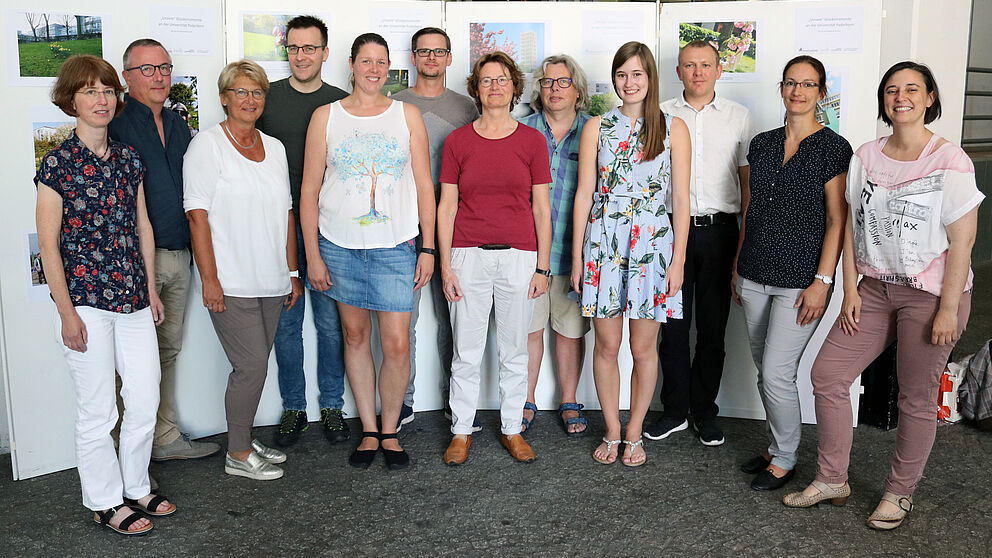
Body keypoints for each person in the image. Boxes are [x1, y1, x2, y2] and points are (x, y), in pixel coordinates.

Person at [784, 62, 983, 530]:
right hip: (873, 289)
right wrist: (850, 289)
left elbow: (963, 243)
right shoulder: (865, 156)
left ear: (930, 98)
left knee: (915, 398)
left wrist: (948, 309)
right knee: (828, 374)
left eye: (912, 89)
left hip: (930, 296)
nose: (901, 98)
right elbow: (853, 226)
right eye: (892, 90)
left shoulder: (950, 160)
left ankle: (900, 492)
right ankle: (833, 478)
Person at [36, 54, 176, 535]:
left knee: (143, 400)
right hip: (86, 305)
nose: (101, 99)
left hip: (134, 299)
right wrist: (65, 312)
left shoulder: (128, 158)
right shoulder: (56, 163)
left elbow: (142, 225)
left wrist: (151, 288)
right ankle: (102, 500)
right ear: (71, 100)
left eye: (107, 91)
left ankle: (136, 485)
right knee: (99, 410)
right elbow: (49, 245)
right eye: (90, 91)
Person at [300, 33, 436, 471]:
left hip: (396, 246)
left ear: (390, 66)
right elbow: (308, 191)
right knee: (355, 339)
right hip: (337, 246)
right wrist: (313, 255)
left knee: (396, 345)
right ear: (352, 64)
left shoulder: (406, 115)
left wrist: (428, 246)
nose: (373, 69)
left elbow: (424, 186)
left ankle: (391, 429)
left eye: (381, 62)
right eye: (366, 61)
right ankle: (369, 430)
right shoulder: (326, 116)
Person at [732, 55, 852, 491]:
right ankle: (777, 444)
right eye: (790, 83)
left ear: (821, 93)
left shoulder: (833, 147)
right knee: (766, 371)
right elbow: (751, 210)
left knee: (779, 371)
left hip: (801, 281)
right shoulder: (761, 144)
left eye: (808, 84)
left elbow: (838, 219)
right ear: (781, 88)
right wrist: (736, 267)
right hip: (753, 272)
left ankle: (785, 458)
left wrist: (823, 282)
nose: (798, 91)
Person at [571, 41, 690, 467]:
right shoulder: (597, 128)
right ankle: (611, 429)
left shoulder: (672, 127)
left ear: (650, 77)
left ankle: (635, 432)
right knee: (606, 344)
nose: (629, 82)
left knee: (644, 348)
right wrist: (576, 259)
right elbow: (584, 195)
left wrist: (677, 261)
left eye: (637, 74)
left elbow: (681, 201)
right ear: (614, 78)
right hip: (604, 244)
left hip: (653, 246)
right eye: (622, 74)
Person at [184, 59, 302, 481]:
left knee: (255, 367)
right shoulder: (207, 146)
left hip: (271, 278)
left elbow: (287, 214)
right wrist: (210, 280)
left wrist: (292, 271)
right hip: (230, 281)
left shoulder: (275, 148)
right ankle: (237, 453)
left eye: (257, 93)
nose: (250, 100)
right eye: (241, 92)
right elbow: (197, 216)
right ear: (224, 99)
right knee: (250, 368)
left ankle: (243, 438)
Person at [110, 38, 220, 468]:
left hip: (179, 254)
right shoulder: (116, 124)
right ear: (127, 78)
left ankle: (164, 436)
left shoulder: (177, 124)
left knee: (167, 350)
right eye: (147, 69)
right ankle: (129, 458)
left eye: (164, 68)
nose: (158, 77)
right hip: (137, 260)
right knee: (132, 361)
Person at [438, 51, 551, 465]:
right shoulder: (458, 141)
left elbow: (542, 208)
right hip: (468, 255)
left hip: (520, 258)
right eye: (486, 80)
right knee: (465, 352)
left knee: (513, 351)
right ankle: (461, 431)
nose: (495, 86)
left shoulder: (531, 141)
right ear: (476, 89)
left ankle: (511, 430)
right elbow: (447, 206)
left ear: (514, 86)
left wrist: (542, 266)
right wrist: (446, 264)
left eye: (502, 79)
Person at [646, 40, 752, 447]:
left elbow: (746, 186)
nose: (698, 72)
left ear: (719, 69)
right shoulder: (661, 115)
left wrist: (743, 241)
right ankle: (673, 410)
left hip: (720, 232)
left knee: (712, 328)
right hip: (670, 232)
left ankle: (704, 411)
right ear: (678, 70)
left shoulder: (740, 118)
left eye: (706, 65)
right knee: (672, 328)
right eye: (689, 65)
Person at [255, 15, 351, 448]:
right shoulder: (266, 100)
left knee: (332, 327)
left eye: (310, 48)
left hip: (329, 231)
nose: (302, 55)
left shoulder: (342, 103)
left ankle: (332, 404)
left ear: (325, 52)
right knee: (286, 328)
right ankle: (294, 407)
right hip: (278, 230)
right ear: (286, 52)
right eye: (294, 48)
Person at [392, 27, 479, 432]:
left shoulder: (468, 108)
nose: (431, 58)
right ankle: (402, 402)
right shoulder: (394, 105)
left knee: (455, 321)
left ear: (449, 57)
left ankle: (455, 404)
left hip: (454, 230)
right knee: (402, 323)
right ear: (412, 57)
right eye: (423, 52)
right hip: (404, 229)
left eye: (438, 51)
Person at [519, 54, 592, 437]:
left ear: (577, 89)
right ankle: (526, 400)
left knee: (570, 331)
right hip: (529, 253)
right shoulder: (522, 130)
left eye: (563, 82)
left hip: (575, 252)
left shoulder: (594, 131)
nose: (554, 89)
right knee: (529, 331)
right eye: (548, 82)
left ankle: (569, 400)